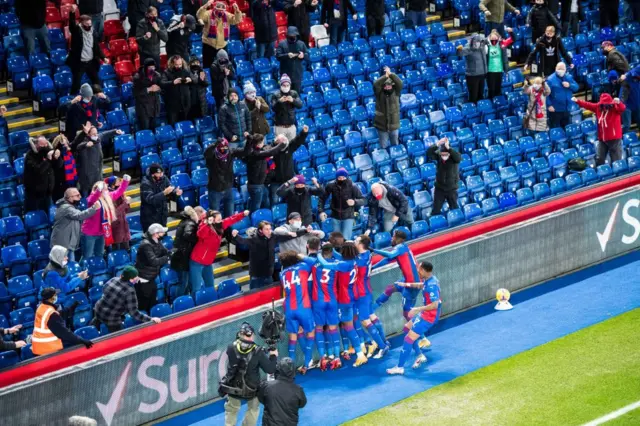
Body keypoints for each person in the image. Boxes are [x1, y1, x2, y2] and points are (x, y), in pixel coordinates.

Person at [315, 242, 369, 367]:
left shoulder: (344, 265)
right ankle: (360, 351)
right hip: (351, 296)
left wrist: (318, 254)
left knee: (348, 327)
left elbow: (326, 264)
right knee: (348, 326)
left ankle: (360, 354)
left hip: (343, 299)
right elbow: (340, 257)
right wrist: (332, 249)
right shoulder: (353, 261)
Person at [387, 261, 441, 375]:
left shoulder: (432, 285)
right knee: (407, 328)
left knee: (408, 339)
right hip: (425, 315)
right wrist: (405, 284)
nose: (417, 272)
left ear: (423, 270)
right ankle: (420, 355)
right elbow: (421, 285)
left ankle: (400, 367)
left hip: (428, 317)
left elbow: (435, 304)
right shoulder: (429, 280)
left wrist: (417, 309)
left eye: (419, 270)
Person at [220, 322, 277, 426]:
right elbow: (270, 369)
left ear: (240, 334)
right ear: (252, 335)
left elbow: (241, 353)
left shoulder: (230, 347)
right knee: (253, 409)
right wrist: (273, 356)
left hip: (233, 387)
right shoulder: (258, 352)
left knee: (231, 410)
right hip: (251, 390)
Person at [190, 210, 248, 294]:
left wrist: (242, 214)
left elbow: (231, 219)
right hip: (197, 261)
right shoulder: (204, 225)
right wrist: (207, 224)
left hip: (208, 262)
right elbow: (200, 234)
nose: (221, 220)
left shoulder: (220, 225)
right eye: (219, 219)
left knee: (210, 286)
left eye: (221, 219)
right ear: (212, 220)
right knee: (197, 288)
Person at [231, 221, 301, 289]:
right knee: (255, 296)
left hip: (269, 274)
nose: (269, 231)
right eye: (266, 229)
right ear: (261, 230)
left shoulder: (273, 237)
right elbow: (243, 241)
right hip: (256, 275)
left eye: (270, 229)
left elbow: (287, 236)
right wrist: (235, 236)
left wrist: (304, 231)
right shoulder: (254, 239)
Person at [277, 251, 316, 373]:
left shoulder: (281, 273)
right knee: (311, 333)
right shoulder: (303, 267)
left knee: (293, 337)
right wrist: (300, 255)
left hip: (289, 308)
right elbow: (314, 261)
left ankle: (290, 369)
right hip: (303, 308)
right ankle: (306, 364)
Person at [306, 240, 341, 370]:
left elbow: (304, 258)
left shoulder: (315, 264)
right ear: (331, 252)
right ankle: (337, 357)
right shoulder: (337, 264)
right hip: (332, 300)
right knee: (333, 329)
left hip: (318, 300)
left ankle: (323, 358)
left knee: (319, 329)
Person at [94, 266, 162, 333]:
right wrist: (150, 319)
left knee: (95, 324)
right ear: (131, 280)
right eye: (136, 277)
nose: (137, 278)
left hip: (98, 309)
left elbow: (104, 289)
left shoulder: (114, 279)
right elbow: (134, 313)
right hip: (112, 318)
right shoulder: (130, 290)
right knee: (118, 337)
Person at [354, 234, 389, 359]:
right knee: (372, 316)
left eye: (356, 240)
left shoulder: (360, 260)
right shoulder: (367, 254)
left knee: (365, 320)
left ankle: (382, 346)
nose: (354, 241)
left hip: (361, 293)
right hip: (367, 290)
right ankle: (384, 341)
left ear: (361, 244)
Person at [31, 287, 93, 356]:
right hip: (47, 351)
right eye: (55, 295)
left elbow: (58, 315)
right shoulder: (51, 314)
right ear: (51, 298)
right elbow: (65, 333)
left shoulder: (42, 307)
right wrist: (82, 341)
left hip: (39, 347)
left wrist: (72, 307)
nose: (56, 296)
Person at [81, 176, 131, 260]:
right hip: (90, 232)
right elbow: (91, 200)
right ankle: (83, 270)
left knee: (99, 254)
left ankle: (97, 268)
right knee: (87, 255)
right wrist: (98, 191)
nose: (106, 190)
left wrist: (125, 181)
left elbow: (119, 191)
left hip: (102, 231)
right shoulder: (92, 199)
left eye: (106, 189)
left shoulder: (108, 197)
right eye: (104, 189)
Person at [573, 94, 626, 166]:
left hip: (614, 139)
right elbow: (588, 105)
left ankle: (618, 173)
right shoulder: (598, 107)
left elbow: (622, 108)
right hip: (602, 139)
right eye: (603, 104)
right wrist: (578, 101)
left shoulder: (615, 108)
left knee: (616, 160)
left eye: (606, 104)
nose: (605, 106)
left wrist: (619, 103)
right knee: (600, 159)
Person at [72, 123, 124, 197]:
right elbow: (77, 147)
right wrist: (86, 145)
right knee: (87, 197)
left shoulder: (97, 139)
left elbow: (104, 134)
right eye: (93, 134)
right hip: (86, 177)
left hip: (97, 174)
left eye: (96, 133)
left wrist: (115, 131)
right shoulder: (83, 142)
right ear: (88, 134)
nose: (96, 135)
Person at [51, 188, 100, 261]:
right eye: (77, 195)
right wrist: (94, 208)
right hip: (62, 245)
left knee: (71, 267)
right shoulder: (66, 208)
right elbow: (79, 215)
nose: (80, 197)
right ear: (70, 198)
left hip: (67, 243)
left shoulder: (70, 206)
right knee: (65, 268)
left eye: (79, 194)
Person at [243, 134, 287, 212]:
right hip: (256, 185)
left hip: (260, 184)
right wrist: (282, 144)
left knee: (265, 198)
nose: (264, 143)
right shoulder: (255, 153)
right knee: (256, 205)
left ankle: (266, 216)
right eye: (262, 142)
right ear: (258, 143)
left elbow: (267, 151)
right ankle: (254, 219)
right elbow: (270, 152)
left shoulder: (256, 150)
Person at [67, 9, 107, 96]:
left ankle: (100, 99)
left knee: (96, 82)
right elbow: (71, 25)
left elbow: (96, 47)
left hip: (91, 62)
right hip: (79, 63)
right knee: (76, 84)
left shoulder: (93, 32)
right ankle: (72, 100)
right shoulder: (77, 30)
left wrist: (103, 57)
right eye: (87, 24)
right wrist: (72, 13)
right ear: (81, 23)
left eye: (90, 24)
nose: (89, 26)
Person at [257, 357, 307, 426]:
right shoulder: (298, 390)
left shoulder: (266, 386)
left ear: (278, 369)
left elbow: (261, 399)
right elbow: (302, 404)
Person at [318, 168, 365, 240]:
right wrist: (321, 211)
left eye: (343, 177)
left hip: (348, 216)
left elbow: (364, 200)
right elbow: (322, 198)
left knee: (346, 239)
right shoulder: (330, 185)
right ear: (336, 178)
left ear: (347, 177)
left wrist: (354, 202)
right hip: (335, 216)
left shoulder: (353, 186)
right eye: (339, 178)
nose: (341, 179)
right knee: (336, 240)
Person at [204, 138, 245, 218]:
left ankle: (229, 230)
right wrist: (214, 144)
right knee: (214, 215)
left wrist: (249, 141)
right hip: (215, 190)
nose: (223, 149)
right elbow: (206, 153)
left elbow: (245, 151)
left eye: (225, 147)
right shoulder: (212, 156)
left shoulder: (230, 153)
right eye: (221, 147)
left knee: (230, 216)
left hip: (228, 188)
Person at [267, 126, 308, 204]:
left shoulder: (289, 148)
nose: (284, 144)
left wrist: (303, 132)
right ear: (277, 143)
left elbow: (297, 141)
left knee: (292, 199)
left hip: (289, 179)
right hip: (275, 181)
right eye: (281, 142)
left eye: (285, 142)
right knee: (275, 200)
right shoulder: (271, 150)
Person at [197, 0, 243, 69]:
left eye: (222, 10)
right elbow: (199, 16)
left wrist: (237, 11)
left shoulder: (227, 15)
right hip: (209, 45)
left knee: (223, 66)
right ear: (215, 8)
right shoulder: (208, 14)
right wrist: (205, 6)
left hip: (222, 45)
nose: (221, 12)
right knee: (207, 66)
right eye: (219, 10)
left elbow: (237, 20)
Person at [171, 206, 206, 296]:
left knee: (185, 283)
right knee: (183, 283)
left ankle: (185, 302)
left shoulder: (185, 221)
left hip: (181, 255)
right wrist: (199, 239)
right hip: (183, 257)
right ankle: (179, 304)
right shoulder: (190, 223)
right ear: (197, 214)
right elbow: (188, 234)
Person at [135, 223, 170, 313]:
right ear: (155, 233)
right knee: (145, 303)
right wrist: (166, 258)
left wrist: (170, 253)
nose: (163, 233)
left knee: (152, 300)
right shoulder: (146, 245)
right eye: (161, 232)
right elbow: (153, 261)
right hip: (144, 278)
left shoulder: (156, 241)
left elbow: (164, 251)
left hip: (151, 277)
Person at [140, 163, 183, 232]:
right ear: (152, 174)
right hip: (150, 217)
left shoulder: (164, 178)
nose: (161, 175)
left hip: (162, 215)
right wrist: (164, 193)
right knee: (152, 239)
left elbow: (170, 189)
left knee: (163, 235)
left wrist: (176, 192)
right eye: (159, 173)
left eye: (162, 173)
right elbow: (151, 199)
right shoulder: (145, 183)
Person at [427, 137, 461, 216]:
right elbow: (429, 153)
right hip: (440, 188)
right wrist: (437, 143)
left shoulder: (454, 156)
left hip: (451, 189)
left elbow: (458, 158)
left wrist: (449, 148)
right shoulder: (439, 155)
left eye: (446, 154)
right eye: (442, 154)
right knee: (435, 211)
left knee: (455, 209)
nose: (444, 156)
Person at [23, 136, 56, 213]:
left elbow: (58, 165)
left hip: (48, 192)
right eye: (42, 145)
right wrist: (47, 160)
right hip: (34, 195)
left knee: (50, 215)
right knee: (37, 216)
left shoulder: (47, 153)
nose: (45, 147)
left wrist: (56, 157)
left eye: (46, 145)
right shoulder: (30, 156)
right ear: (37, 145)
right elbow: (38, 170)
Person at [373, 67, 403, 148]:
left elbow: (400, 83)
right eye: (385, 86)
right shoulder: (379, 93)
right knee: (383, 146)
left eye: (389, 86)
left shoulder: (396, 92)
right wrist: (386, 76)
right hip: (382, 126)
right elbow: (376, 84)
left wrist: (391, 74)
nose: (387, 87)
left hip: (394, 125)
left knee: (395, 145)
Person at [161, 55, 194, 125]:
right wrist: (173, 82)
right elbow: (162, 83)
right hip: (173, 105)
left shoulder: (186, 70)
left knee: (186, 124)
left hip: (185, 103)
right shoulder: (167, 72)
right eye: (176, 64)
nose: (179, 66)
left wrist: (190, 80)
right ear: (172, 64)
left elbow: (195, 80)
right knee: (174, 124)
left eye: (180, 64)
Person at [133, 58, 163, 131]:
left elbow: (162, 89)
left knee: (155, 128)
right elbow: (135, 93)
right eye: (150, 68)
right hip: (143, 108)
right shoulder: (138, 77)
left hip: (155, 106)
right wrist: (149, 89)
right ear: (145, 67)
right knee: (145, 129)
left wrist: (159, 88)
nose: (152, 69)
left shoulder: (157, 75)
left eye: (153, 67)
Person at [546, 62, 579, 129]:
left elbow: (576, 87)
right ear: (555, 69)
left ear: (565, 69)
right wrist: (549, 105)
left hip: (567, 108)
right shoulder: (550, 79)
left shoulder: (569, 77)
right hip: (555, 110)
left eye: (562, 69)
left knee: (567, 128)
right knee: (556, 129)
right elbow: (545, 94)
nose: (560, 70)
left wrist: (569, 85)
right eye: (559, 68)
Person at [457, 35, 488, 103]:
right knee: (473, 97)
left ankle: (480, 110)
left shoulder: (482, 46)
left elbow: (488, 40)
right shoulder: (468, 48)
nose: (478, 43)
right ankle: (473, 109)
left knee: (480, 95)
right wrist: (459, 50)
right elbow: (461, 53)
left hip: (482, 74)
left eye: (479, 41)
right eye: (476, 41)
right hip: (472, 76)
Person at [276, 27, 308, 94]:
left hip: (297, 74)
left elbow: (308, 55)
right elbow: (278, 56)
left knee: (296, 94)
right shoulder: (282, 44)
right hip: (285, 74)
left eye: (293, 36)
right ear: (287, 36)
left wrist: (303, 55)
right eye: (290, 36)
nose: (292, 37)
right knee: (285, 95)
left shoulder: (301, 44)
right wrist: (287, 55)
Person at [271, 75, 303, 141]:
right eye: (284, 85)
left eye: (287, 85)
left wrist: (293, 100)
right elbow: (273, 109)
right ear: (281, 85)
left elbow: (300, 105)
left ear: (290, 85)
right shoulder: (275, 95)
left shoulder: (294, 94)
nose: (286, 87)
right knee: (281, 149)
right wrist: (279, 102)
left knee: (292, 147)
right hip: (280, 127)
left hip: (291, 126)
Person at [105, 176, 132, 251]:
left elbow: (125, 211)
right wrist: (125, 203)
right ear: (113, 185)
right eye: (118, 181)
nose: (120, 183)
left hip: (123, 224)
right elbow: (114, 213)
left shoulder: (121, 194)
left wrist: (127, 204)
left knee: (127, 248)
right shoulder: (109, 196)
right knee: (116, 248)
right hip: (115, 225)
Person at [486, 28, 513, 99]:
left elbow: (513, 39)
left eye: (495, 38)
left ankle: (498, 103)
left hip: (499, 70)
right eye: (492, 38)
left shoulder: (502, 44)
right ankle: (491, 102)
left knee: (498, 89)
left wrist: (511, 32)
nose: (494, 39)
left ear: (498, 38)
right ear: (489, 38)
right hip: (490, 71)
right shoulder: (486, 45)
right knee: (491, 89)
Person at [51, 134, 77, 203]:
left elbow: (75, 142)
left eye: (66, 143)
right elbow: (59, 165)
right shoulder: (56, 154)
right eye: (63, 144)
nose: (66, 145)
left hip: (72, 182)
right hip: (60, 186)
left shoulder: (69, 153)